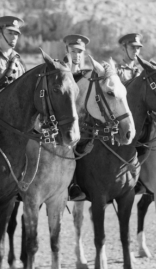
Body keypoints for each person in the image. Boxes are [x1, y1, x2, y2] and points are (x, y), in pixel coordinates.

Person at [62, 34, 90, 201]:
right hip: (63, 123)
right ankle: (72, 185)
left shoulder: (87, 76)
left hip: (85, 123)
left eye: (80, 52)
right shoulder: (61, 73)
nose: (77, 55)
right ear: (67, 51)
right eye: (73, 51)